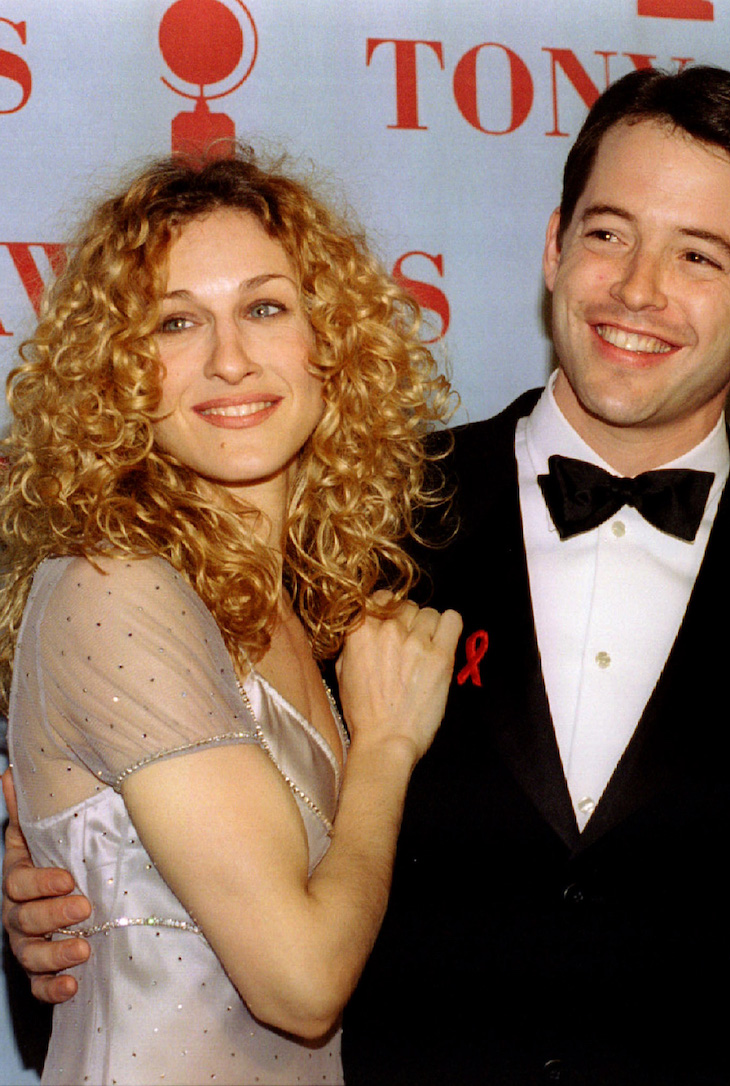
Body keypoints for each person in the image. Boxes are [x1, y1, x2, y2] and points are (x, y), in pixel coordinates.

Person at [5, 64, 730, 1085]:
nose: (635, 289)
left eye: (698, 256)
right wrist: (40, 896)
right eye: (607, 232)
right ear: (552, 245)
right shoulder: (345, 518)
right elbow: (130, 820)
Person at [0, 151, 461, 1085]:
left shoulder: (305, 605)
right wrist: (383, 749)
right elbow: (298, 983)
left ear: (331, 340)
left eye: (264, 306)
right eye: (176, 321)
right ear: (118, 371)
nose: (229, 359)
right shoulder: (114, 586)